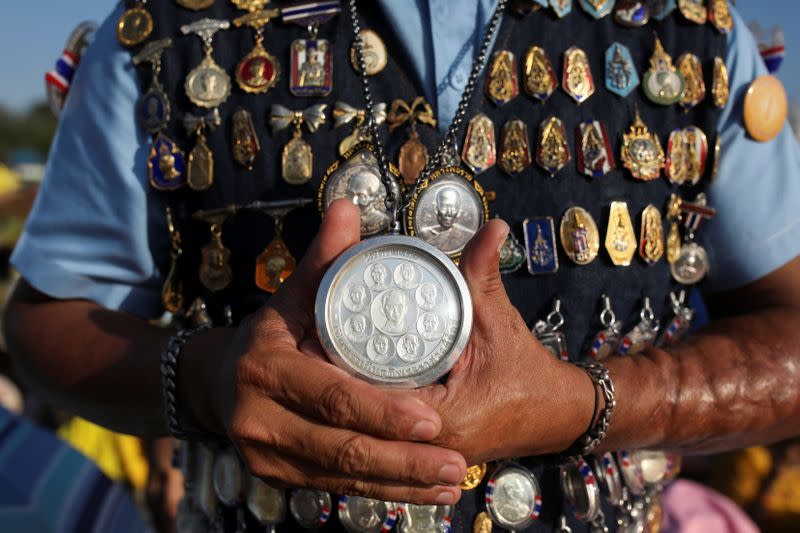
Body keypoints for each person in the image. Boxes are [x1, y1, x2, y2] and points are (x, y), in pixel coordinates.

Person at [5, 1, 800, 532]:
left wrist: (588, 405)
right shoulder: (171, 33)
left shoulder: (687, 33)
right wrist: (210, 378)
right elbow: (45, 319)